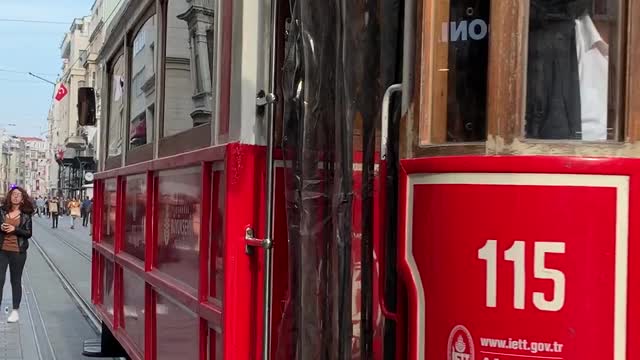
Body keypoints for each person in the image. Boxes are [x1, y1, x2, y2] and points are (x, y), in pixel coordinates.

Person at [0, 187, 33, 323]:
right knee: (0, 280)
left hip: (18, 252)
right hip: (2, 250)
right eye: (14, 194)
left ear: (22, 199)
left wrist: (15, 229)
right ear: (10, 196)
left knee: (15, 280)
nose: (16, 197)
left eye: (19, 195)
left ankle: (15, 311)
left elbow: (28, 233)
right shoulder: (2, 211)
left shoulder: (26, 215)